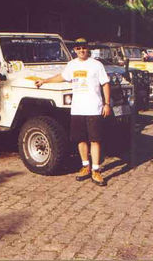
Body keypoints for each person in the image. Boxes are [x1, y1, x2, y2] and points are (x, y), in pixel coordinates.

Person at [35, 38, 111, 186]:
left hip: (94, 108)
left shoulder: (96, 65)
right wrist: (44, 81)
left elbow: (105, 84)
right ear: (74, 50)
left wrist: (107, 104)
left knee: (95, 140)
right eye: (78, 48)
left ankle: (96, 170)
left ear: (87, 49)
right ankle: (85, 166)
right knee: (81, 140)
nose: (81, 50)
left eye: (84, 48)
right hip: (77, 109)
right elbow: (61, 77)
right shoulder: (72, 65)